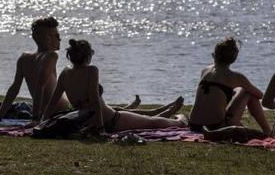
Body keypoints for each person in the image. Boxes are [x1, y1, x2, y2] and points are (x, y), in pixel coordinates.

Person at [41, 39, 187, 133]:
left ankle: (166, 111)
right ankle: (181, 120)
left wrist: (42, 122)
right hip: (111, 120)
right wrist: (101, 128)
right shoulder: (91, 70)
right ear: (88, 57)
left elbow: (53, 101)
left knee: (144, 120)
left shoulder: (65, 73)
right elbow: (94, 100)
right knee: (151, 123)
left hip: (83, 124)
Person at [188, 37, 271, 136]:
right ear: (234, 59)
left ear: (214, 55)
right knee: (248, 92)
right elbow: (260, 95)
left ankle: (264, 131)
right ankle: (267, 131)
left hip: (194, 125)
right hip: (215, 127)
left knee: (240, 90)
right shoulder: (236, 77)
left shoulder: (205, 71)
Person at [0, 16, 68, 121]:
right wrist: (36, 118)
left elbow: (14, 88)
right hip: (59, 110)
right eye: (57, 36)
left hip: (43, 110)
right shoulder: (51, 56)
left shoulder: (24, 58)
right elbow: (40, 87)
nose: (60, 39)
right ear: (48, 39)